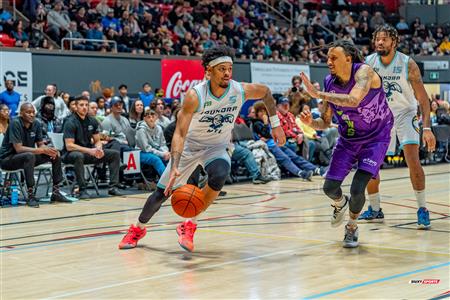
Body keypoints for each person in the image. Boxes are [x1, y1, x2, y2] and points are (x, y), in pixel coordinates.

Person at [118, 45, 285, 252]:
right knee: (161, 194)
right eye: (221, 69)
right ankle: (137, 229)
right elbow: (179, 133)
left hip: (216, 147)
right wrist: (175, 167)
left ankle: (189, 224)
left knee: (220, 174)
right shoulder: (195, 96)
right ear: (208, 71)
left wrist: (276, 125)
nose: (227, 73)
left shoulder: (239, 90)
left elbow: (267, 93)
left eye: (229, 68)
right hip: (190, 146)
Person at [299, 40, 394, 248]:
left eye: (334, 57)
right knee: (329, 187)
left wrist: (317, 95)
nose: (329, 61)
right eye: (327, 58)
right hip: (349, 139)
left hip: (376, 138)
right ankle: (340, 204)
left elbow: (353, 100)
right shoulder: (329, 82)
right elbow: (325, 121)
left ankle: (351, 227)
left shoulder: (364, 72)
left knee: (358, 189)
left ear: (349, 59)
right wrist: (310, 123)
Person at [362, 25, 436, 228]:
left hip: (405, 113)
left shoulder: (407, 64)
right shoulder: (368, 63)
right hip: (380, 116)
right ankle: (375, 209)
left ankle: (422, 208)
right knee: (370, 163)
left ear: (394, 42)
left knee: (412, 159)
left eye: (384, 39)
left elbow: (423, 99)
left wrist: (427, 128)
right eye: (377, 39)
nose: (379, 42)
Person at [0, 103, 70, 207]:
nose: (32, 114)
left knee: (55, 155)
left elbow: (40, 144)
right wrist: (41, 151)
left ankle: (56, 192)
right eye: (28, 112)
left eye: (33, 112)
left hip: (27, 158)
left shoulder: (36, 123)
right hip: (8, 159)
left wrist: (49, 150)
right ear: (21, 113)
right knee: (29, 156)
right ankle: (31, 196)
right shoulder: (15, 123)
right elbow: (19, 149)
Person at [62, 97, 123, 199]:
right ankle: (82, 190)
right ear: (76, 107)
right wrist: (90, 150)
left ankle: (113, 187)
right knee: (78, 156)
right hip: (70, 154)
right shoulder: (70, 122)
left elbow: (97, 140)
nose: (84, 107)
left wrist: (98, 148)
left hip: (88, 152)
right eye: (81, 105)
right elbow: (69, 146)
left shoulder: (92, 121)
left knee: (114, 154)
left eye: (86, 105)